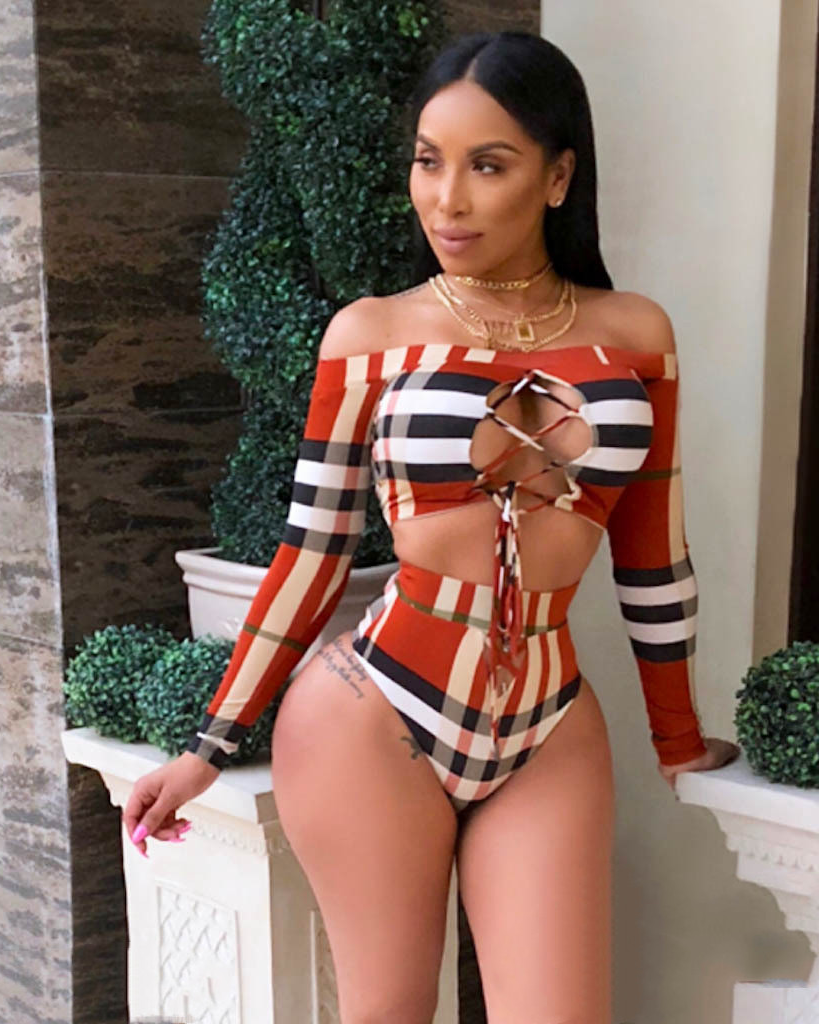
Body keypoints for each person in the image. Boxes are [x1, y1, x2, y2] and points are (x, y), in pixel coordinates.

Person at [124, 29, 739, 1023]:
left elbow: (651, 554)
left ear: (557, 176)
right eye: (427, 160)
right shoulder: (369, 332)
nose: (445, 199)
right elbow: (313, 550)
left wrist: (677, 736)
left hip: (547, 722)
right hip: (372, 716)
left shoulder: (635, 335)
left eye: (487, 165)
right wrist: (209, 745)